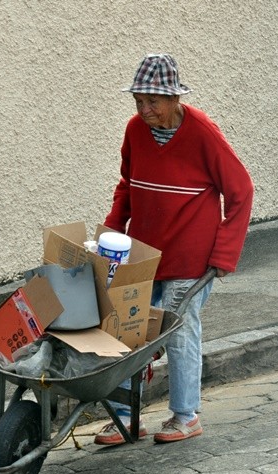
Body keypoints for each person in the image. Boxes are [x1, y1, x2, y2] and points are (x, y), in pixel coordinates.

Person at [94, 53, 254, 445]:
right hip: (143, 254)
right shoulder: (135, 130)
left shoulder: (202, 132)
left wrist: (223, 257)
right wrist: (111, 233)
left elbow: (241, 192)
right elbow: (127, 186)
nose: (144, 109)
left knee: (179, 331)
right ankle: (125, 417)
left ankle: (185, 415)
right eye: (138, 101)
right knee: (126, 329)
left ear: (174, 99)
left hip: (190, 258)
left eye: (153, 101)